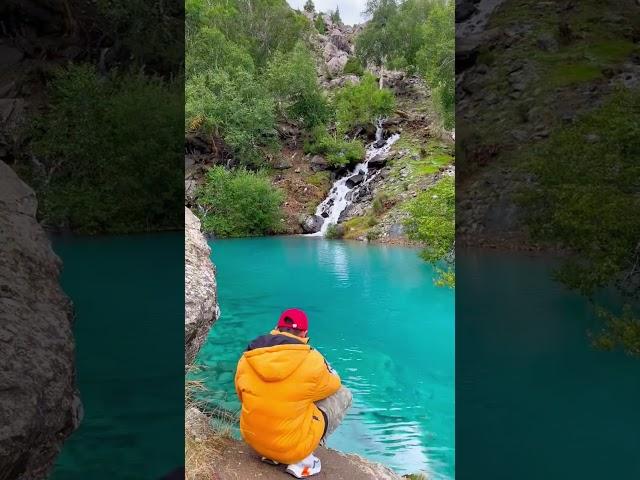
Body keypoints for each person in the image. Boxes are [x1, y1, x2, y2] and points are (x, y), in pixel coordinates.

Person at [234, 308, 352, 478]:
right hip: (291, 450)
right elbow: (334, 385)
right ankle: (304, 456)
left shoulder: (248, 356)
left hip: (253, 440)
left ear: (276, 328)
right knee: (343, 394)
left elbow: (241, 395)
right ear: (305, 333)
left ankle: (270, 451)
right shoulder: (313, 360)